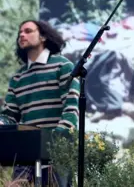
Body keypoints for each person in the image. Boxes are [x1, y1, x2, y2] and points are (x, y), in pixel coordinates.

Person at [0, 20, 80, 187]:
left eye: (28, 31)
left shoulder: (63, 66)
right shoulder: (17, 78)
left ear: (43, 36)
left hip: (58, 149)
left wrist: (58, 136)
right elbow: (9, 116)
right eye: (20, 32)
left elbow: (71, 107)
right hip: (25, 149)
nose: (22, 35)